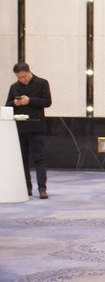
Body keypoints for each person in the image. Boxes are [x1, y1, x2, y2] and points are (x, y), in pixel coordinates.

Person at [5, 62, 52, 199]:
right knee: (23, 159)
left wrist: (30, 101)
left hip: (36, 126)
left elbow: (47, 102)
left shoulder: (42, 83)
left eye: (24, 76)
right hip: (20, 127)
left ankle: (42, 188)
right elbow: (7, 105)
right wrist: (15, 103)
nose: (22, 79)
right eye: (19, 77)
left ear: (29, 72)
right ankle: (27, 187)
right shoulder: (14, 87)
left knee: (39, 158)